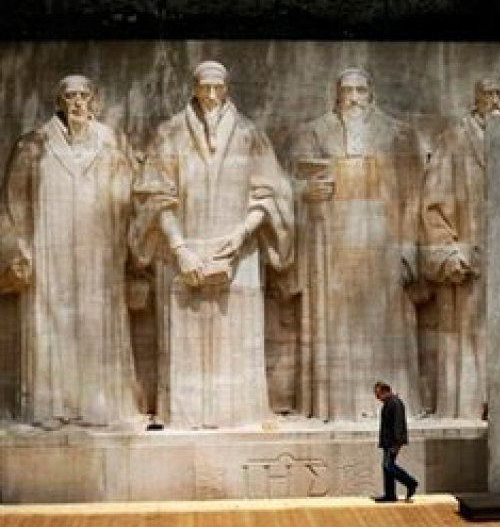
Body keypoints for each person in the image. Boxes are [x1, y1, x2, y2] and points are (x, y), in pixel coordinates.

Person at [129, 61, 294, 429]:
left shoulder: (249, 134)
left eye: (218, 87)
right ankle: (185, 419)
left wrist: (238, 240)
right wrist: (179, 248)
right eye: (205, 87)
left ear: (228, 88)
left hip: (239, 254)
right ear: (194, 88)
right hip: (182, 254)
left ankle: (240, 417)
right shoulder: (170, 133)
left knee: (236, 345)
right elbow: (154, 196)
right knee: (184, 347)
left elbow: (270, 194)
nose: (212, 94)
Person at [0, 75, 142, 429]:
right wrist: (18, 251)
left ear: (93, 100)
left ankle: (100, 406)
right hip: (51, 250)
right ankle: (52, 407)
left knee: (97, 323)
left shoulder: (110, 143)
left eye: (84, 96)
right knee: (52, 323)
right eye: (70, 97)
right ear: (59, 102)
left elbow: (129, 194)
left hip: (98, 250)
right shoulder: (33, 145)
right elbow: (12, 204)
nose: (78, 103)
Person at [289, 68, 425, 421]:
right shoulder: (315, 132)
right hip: (330, 245)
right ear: (336, 95)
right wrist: (305, 191)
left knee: (386, 326)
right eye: (346, 90)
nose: (353, 97)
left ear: (371, 93)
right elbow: (287, 184)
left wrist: (409, 245)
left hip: (384, 244)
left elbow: (414, 196)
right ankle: (339, 408)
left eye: (360, 90)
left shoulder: (399, 134)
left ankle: (391, 406)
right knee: (335, 327)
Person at [420, 77, 500, 419]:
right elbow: (434, 202)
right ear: (476, 100)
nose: (495, 101)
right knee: (466, 341)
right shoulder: (454, 139)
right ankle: (469, 410)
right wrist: (446, 250)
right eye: (487, 95)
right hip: (469, 258)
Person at [373, 381, 418, 502]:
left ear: (385, 391)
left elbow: (398, 424)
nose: (377, 398)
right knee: (386, 467)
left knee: (388, 466)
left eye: (378, 395)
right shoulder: (389, 403)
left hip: (393, 442)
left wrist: (397, 443)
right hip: (388, 442)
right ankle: (390, 494)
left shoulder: (395, 403)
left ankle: (410, 483)